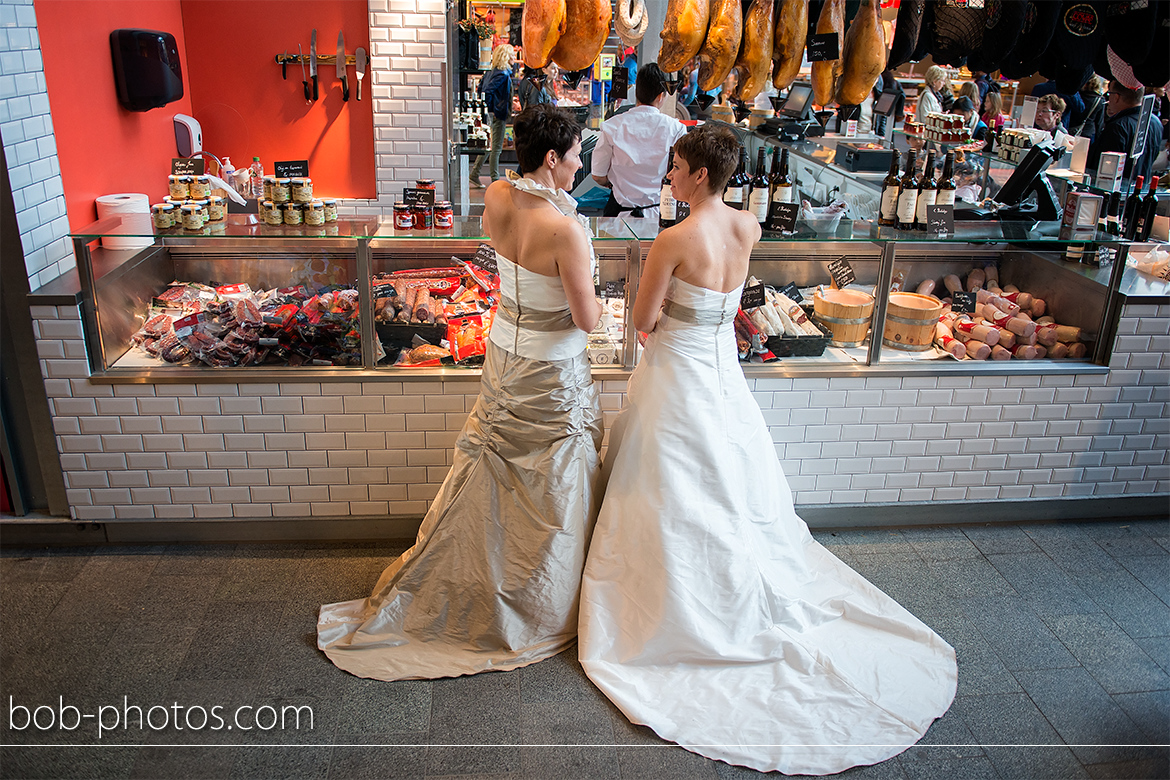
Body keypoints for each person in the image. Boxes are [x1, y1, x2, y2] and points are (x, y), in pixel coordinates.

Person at [578, 123, 958, 775]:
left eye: (675, 166)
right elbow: (722, 308)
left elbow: (643, 320)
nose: (668, 173)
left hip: (677, 370)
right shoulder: (747, 227)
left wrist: (666, 315)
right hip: (722, 367)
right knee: (731, 477)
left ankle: (678, 606)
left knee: (672, 484)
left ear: (699, 174)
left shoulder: (673, 238)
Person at [319, 104, 604, 682]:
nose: (580, 165)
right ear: (552, 158)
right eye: (576, 154)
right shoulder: (565, 230)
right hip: (549, 374)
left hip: (503, 357)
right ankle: (537, 597)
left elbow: (507, 268)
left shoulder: (497, 196)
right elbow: (588, 318)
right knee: (547, 484)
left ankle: (475, 571)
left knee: (495, 476)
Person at [592, 63, 688, 219]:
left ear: (637, 93)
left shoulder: (612, 126)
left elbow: (598, 175)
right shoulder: (676, 129)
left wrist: (614, 182)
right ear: (660, 96)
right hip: (661, 215)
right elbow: (681, 173)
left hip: (619, 217)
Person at [1088, 80, 1164, 182]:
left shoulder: (1118, 127)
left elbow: (1104, 167)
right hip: (1140, 187)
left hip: (1116, 189)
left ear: (1116, 97)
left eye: (1109, 94)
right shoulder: (1155, 122)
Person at [469, 44, 515, 187]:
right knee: (495, 148)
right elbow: (487, 92)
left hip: (491, 114)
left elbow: (481, 89)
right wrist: (493, 109)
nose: (514, 58)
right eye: (512, 55)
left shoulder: (490, 72)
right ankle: (495, 179)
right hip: (497, 115)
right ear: (506, 57)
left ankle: (475, 174)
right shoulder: (503, 74)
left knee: (488, 147)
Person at [1072, 74, 1107, 140]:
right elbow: (1099, 122)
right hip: (1088, 133)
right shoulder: (1099, 100)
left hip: (1071, 129)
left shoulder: (1076, 95)